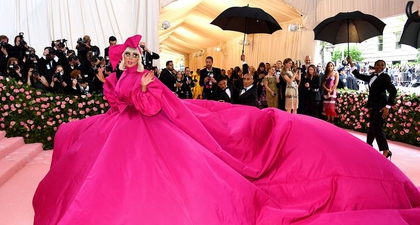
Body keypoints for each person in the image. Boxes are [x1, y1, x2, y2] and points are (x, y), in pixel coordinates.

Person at [33, 34, 420, 224]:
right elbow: (119, 101)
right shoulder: (120, 78)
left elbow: (154, 105)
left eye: (135, 54)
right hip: (122, 133)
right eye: (127, 55)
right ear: (122, 59)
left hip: (150, 132)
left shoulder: (149, 78)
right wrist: (122, 97)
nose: (131, 58)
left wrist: (143, 93)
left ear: (141, 57)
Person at [347, 56, 397, 159]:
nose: (379, 66)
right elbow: (358, 75)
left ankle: (386, 151)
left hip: (382, 106)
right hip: (374, 106)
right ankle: (368, 147)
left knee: (377, 128)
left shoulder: (385, 77)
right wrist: (350, 62)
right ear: (374, 66)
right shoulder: (372, 76)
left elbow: (393, 91)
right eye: (377, 64)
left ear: (384, 67)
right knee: (371, 128)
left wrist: (387, 107)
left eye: (382, 65)